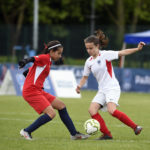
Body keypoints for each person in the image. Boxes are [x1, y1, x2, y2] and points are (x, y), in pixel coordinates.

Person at [76, 29, 145, 140]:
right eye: (87, 48)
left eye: (91, 48)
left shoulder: (105, 55)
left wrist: (137, 49)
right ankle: (107, 134)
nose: (88, 50)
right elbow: (85, 77)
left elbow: (123, 52)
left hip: (112, 87)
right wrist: (79, 86)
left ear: (97, 46)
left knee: (111, 110)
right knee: (92, 110)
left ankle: (135, 127)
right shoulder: (88, 61)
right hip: (102, 89)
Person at [18, 40, 89, 140]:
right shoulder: (45, 58)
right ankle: (26, 131)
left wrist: (35, 82)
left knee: (61, 106)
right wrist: (25, 61)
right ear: (51, 51)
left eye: (61, 53)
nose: (60, 56)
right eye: (58, 53)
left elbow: (25, 73)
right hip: (31, 91)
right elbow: (33, 58)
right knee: (51, 114)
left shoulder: (48, 62)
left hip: (37, 90)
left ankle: (74, 134)